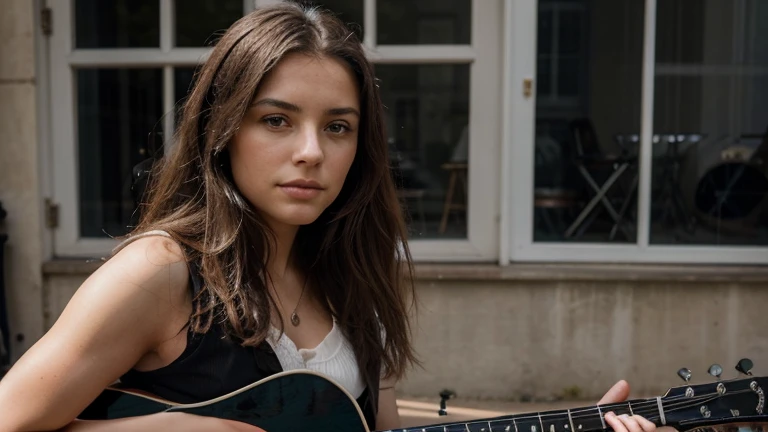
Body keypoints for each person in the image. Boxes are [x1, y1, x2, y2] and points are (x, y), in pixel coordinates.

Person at [0, 3, 664, 432]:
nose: (311, 152)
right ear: (224, 130)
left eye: (338, 127)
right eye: (276, 120)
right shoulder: (162, 272)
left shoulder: (353, 285)